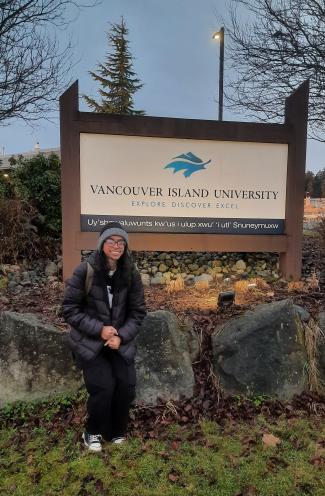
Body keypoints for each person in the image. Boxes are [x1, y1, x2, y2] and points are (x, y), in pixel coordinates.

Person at [62, 222, 146, 452]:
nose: (116, 246)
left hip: (119, 342)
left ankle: (116, 430)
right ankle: (92, 432)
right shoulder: (85, 270)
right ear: (101, 244)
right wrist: (99, 329)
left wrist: (121, 336)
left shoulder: (131, 273)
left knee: (127, 385)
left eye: (121, 242)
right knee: (103, 387)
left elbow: (138, 312)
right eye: (111, 241)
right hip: (91, 343)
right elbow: (69, 309)